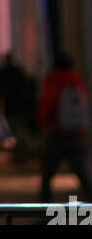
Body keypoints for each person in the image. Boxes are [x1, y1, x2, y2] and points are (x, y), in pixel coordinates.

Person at [37, 51, 91, 202]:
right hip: (76, 133)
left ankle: (45, 209)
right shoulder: (77, 81)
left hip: (58, 133)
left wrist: (42, 123)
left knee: (48, 173)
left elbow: (47, 104)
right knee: (82, 172)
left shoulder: (54, 80)